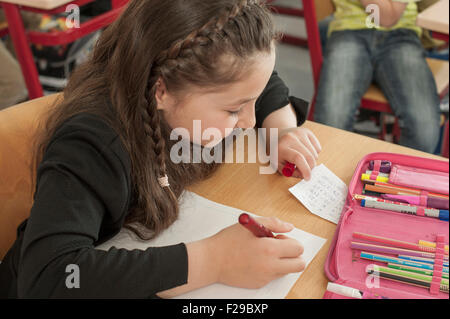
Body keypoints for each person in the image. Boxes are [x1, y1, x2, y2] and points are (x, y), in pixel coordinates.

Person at [0, 0, 322, 298]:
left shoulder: (188, 87)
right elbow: (48, 276)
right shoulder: (92, 145)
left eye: (251, 103)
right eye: (234, 110)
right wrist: (213, 260)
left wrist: (281, 131)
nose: (249, 122)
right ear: (162, 91)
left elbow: (257, 78)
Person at [314, 0, 441, 153]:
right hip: (348, 30)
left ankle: (397, 173)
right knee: (330, 126)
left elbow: (387, 17)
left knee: (424, 132)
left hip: (401, 35)